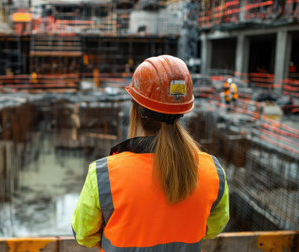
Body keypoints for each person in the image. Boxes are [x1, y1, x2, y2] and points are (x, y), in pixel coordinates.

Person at [71, 55, 229, 251]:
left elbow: (83, 235)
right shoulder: (213, 172)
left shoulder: (104, 175)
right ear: (182, 111)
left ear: (136, 111)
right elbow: (213, 229)